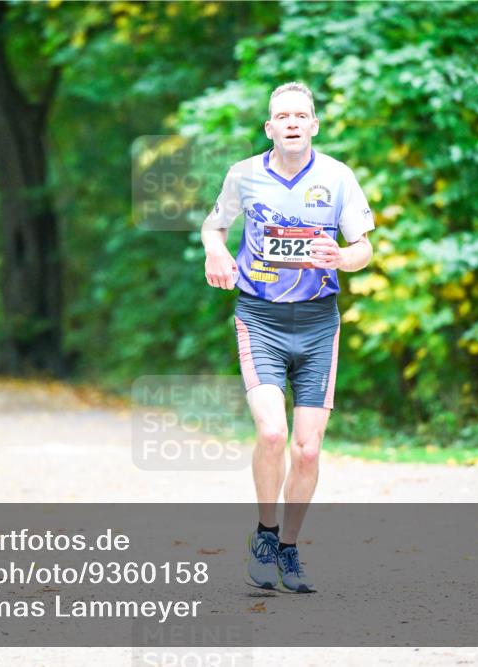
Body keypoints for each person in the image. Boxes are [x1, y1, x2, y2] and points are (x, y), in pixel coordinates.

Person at [201, 82, 376, 593]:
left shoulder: (338, 177)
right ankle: (265, 532)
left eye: (302, 114)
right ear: (270, 127)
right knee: (273, 434)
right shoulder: (244, 175)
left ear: (314, 125)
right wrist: (216, 250)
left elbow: (363, 246)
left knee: (307, 450)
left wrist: (344, 258)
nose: (293, 122)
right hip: (261, 319)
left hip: (320, 323)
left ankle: (290, 549)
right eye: (284, 116)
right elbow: (214, 227)